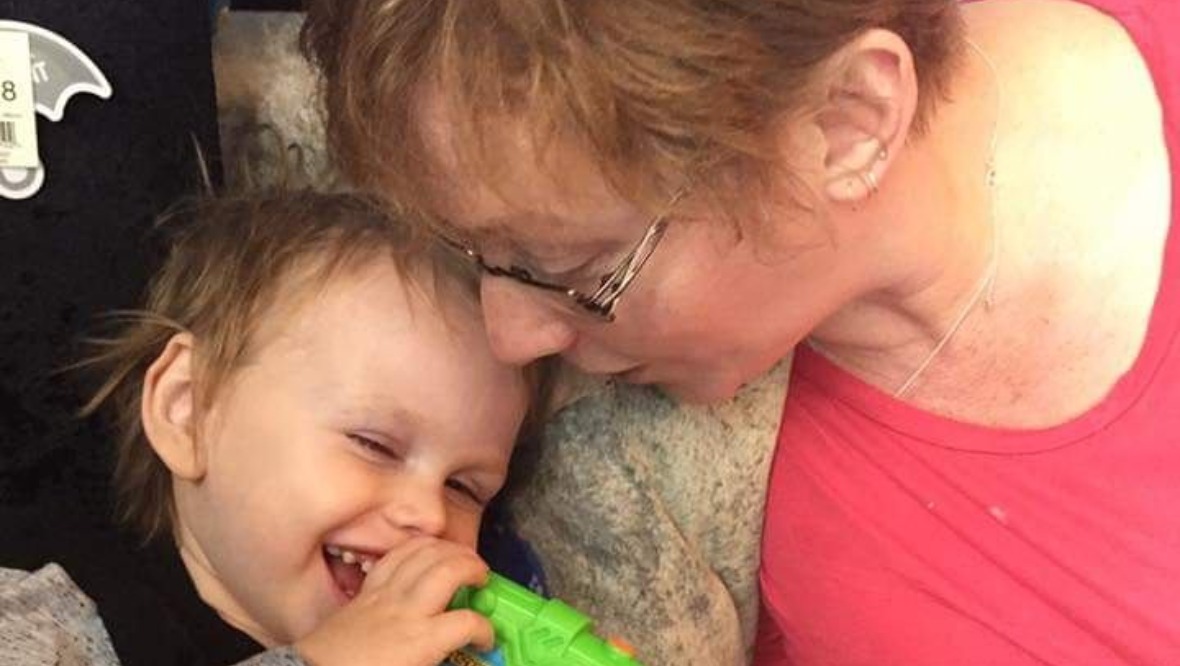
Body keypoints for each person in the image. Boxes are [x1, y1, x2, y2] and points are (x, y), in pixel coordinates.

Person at [300, 0, 1180, 664]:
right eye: (477, 259)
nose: (509, 338)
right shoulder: (628, 477)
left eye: (568, 267)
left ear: (845, 124)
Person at [0, 189, 548, 666]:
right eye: (374, 445)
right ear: (187, 409)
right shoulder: (50, 613)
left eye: (464, 487)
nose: (429, 515)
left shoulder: (452, 642)